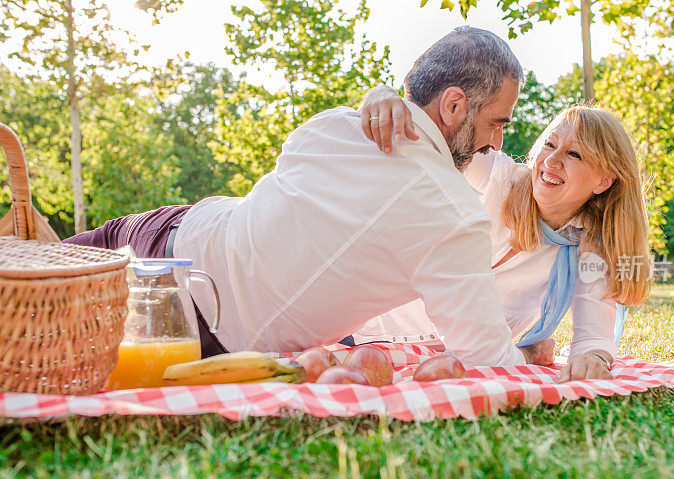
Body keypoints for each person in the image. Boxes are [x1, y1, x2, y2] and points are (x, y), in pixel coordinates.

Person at [64, 27, 532, 367]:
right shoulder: (455, 216)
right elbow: (488, 357)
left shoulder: (334, 123)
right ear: (453, 105)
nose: (495, 144)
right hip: (198, 334)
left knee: (27, 276)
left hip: (169, 233)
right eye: (497, 123)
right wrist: (530, 355)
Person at [357, 89, 652, 380]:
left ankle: (525, 356)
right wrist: (384, 98)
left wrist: (592, 359)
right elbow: (430, 138)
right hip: (364, 327)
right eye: (550, 145)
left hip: (448, 361)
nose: (551, 162)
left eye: (573, 153)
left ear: (603, 181)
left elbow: (594, 336)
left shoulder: (588, 247)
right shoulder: (496, 177)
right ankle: (527, 355)